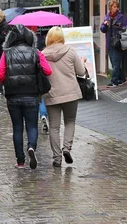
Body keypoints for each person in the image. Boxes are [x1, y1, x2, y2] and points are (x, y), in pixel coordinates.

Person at [0, 24, 52, 169]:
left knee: (17, 128)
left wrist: (8, 82)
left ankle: (20, 161)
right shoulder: (36, 52)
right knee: (32, 126)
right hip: (32, 95)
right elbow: (48, 71)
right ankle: (31, 147)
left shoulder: (6, 53)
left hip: (13, 96)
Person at [42, 27, 87, 167]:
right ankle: (66, 148)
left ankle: (57, 158)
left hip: (52, 94)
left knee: (54, 127)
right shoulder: (70, 51)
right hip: (70, 93)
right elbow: (81, 72)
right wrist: (83, 63)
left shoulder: (42, 54)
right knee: (70, 121)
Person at [100, 0, 127, 87]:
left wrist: (117, 27)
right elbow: (102, 29)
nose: (116, 8)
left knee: (115, 63)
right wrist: (104, 24)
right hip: (109, 43)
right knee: (113, 63)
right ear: (110, 8)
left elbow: (126, 28)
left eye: (117, 7)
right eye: (114, 7)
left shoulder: (121, 17)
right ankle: (122, 79)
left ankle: (114, 81)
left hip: (118, 43)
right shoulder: (107, 17)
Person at [27, 25, 49, 132]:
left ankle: (32, 121)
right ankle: (43, 114)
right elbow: (47, 70)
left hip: (26, 81)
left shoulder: (25, 43)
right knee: (41, 99)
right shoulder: (41, 41)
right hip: (38, 76)